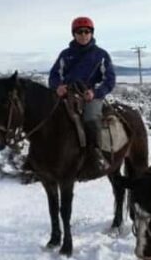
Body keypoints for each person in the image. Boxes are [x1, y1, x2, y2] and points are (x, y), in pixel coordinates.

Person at [48, 16, 116, 173]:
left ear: (91, 33)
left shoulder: (101, 55)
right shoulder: (65, 54)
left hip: (90, 95)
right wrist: (58, 86)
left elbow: (109, 79)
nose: (83, 35)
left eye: (87, 31)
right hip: (68, 94)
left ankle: (96, 154)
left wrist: (95, 92)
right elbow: (54, 75)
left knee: (91, 117)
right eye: (79, 32)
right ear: (74, 34)